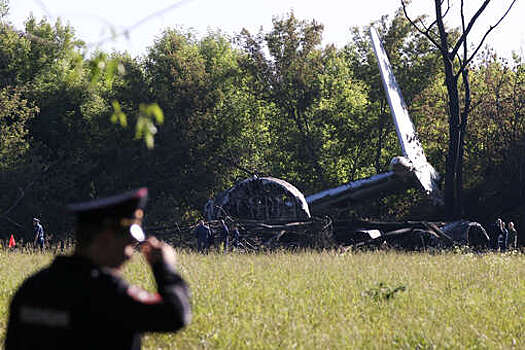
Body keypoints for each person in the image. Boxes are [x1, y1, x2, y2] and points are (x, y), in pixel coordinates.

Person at [5, 188, 192, 350]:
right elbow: (174, 315)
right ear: (105, 238)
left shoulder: (31, 289)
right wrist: (164, 267)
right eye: (128, 241)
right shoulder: (108, 292)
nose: (130, 252)